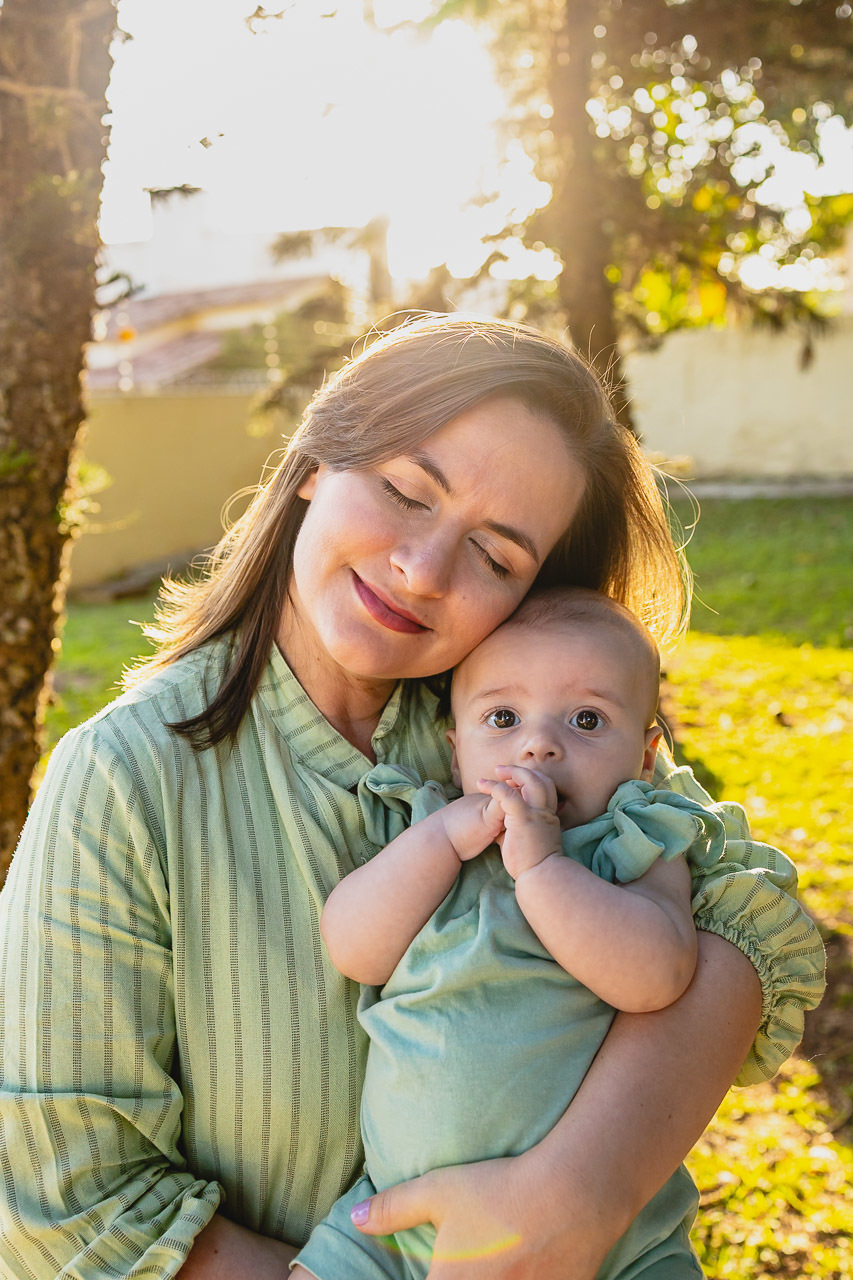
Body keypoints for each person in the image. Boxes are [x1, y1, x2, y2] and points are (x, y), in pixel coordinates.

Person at [0, 315, 824, 1280]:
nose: (422, 570)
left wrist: (585, 1188)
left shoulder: (533, 728)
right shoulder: (125, 778)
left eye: (497, 558)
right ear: (315, 457)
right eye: (403, 491)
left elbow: (747, 917)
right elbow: (67, 1203)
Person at [293, 586, 732, 1280]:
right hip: (394, 1226)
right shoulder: (430, 831)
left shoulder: (631, 840)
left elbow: (657, 977)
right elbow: (352, 946)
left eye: (586, 719)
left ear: (645, 757)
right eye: (502, 716)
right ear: (455, 746)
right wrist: (439, 838)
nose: (538, 743)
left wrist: (543, 868)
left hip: (609, 1244)